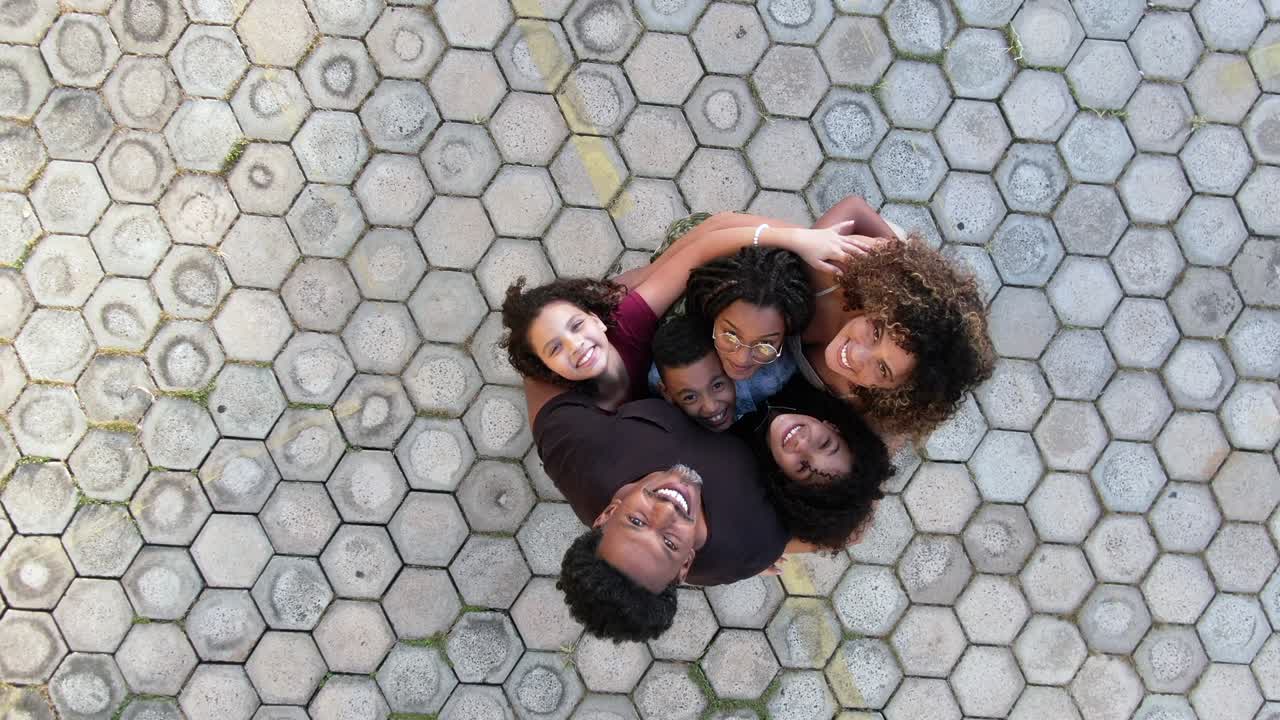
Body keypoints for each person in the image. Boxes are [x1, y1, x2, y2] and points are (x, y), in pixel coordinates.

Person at [525, 373, 889, 642]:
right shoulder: (751, 544)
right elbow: (841, 525)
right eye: (669, 543)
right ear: (685, 565)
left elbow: (535, 360)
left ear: (606, 515)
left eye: (636, 520)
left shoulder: (581, 456)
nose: (667, 510)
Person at [647, 198, 995, 439]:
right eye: (875, 333)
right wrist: (806, 240)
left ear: (897, 392)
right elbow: (855, 208)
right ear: (880, 311)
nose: (854, 356)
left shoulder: (875, 407)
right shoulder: (842, 267)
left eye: (883, 370)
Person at [501, 222, 864, 411]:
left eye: (576, 325)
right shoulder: (576, 409)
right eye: (555, 348)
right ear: (548, 368)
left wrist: (795, 239)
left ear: (595, 319)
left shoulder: (627, 321)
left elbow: (701, 247)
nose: (576, 346)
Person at [732, 376, 891, 551]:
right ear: (833, 427)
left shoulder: (732, 443)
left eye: (802, 467)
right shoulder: (814, 378)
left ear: (785, 478)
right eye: (825, 443)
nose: (802, 444)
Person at [650, 314, 737, 432]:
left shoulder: (765, 384)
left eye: (717, 385)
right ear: (667, 393)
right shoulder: (655, 387)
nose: (711, 407)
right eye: (690, 397)